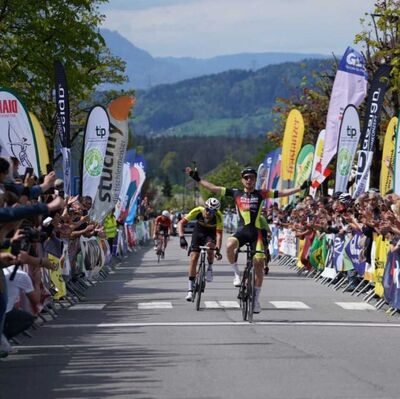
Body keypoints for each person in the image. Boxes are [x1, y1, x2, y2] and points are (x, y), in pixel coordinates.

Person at [186, 165, 309, 313]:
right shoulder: (236, 193)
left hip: (256, 233)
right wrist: (197, 179)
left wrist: (300, 188)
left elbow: (282, 192)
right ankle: (236, 274)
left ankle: (256, 300)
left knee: (258, 264)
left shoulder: (261, 194)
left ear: (255, 180)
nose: (249, 180)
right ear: (242, 180)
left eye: (252, 177)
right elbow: (214, 189)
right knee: (229, 245)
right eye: (246, 177)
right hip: (243, 231)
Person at [177, 198, 223, 301]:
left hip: (210, 234)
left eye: (211, 211)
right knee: (194, 258)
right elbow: (180, 223)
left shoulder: (219, 217)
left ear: (215, 212)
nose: (208, 212)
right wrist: (181, 237)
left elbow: (219, 235)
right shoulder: (198, 210)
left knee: (210, 248)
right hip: (198, 233)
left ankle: (210, 267)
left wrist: (218, 250)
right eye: (207, 209)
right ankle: (190, 289)